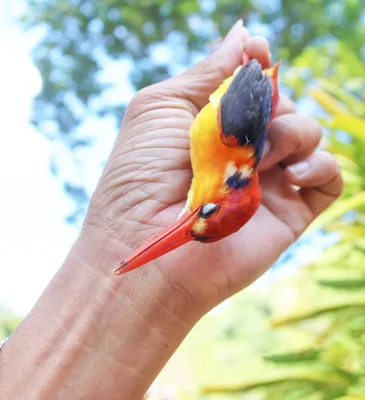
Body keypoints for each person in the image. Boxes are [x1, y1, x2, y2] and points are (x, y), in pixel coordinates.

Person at [0, 21, 343, 399]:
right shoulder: (231, 136)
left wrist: (161, 292)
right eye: (205, 214)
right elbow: (257, 74)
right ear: (221, 194)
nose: (188, 221)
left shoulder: (218, 177)